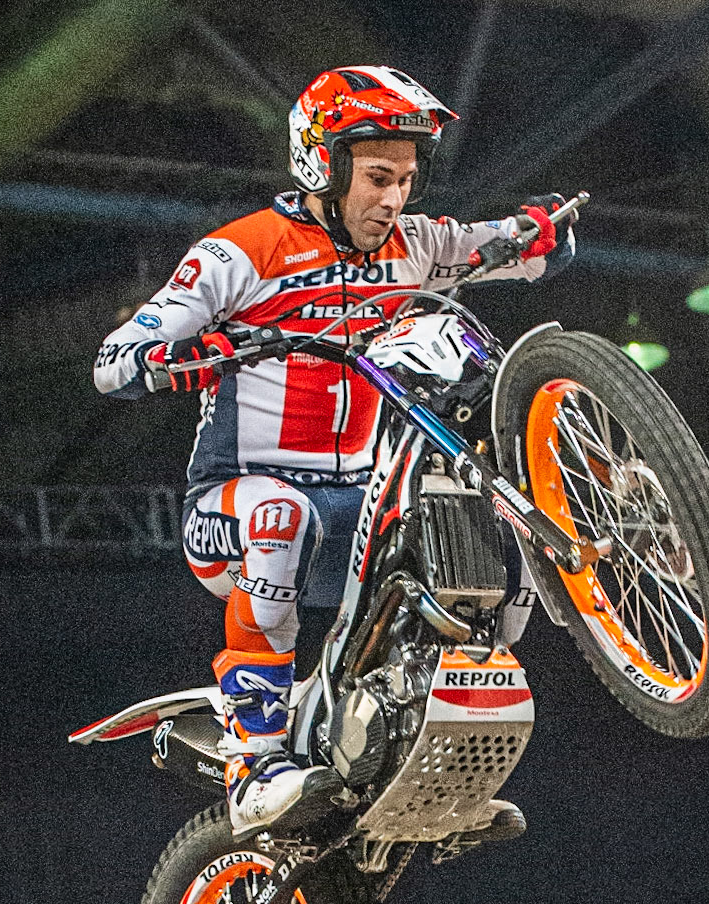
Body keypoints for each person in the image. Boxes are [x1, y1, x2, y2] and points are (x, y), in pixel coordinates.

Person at [94, 65, 574, 835]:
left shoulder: (416, 245)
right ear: (323, 163)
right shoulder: (238, 252)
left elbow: (525, 254)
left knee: (482, 520)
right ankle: (255, 763)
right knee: (280, 514)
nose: (393, 199)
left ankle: (436, 757)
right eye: (378, 177)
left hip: (360, 508)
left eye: (407, 181)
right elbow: (112, 361)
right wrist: (177, 357)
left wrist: (545, 229)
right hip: (236, 506)